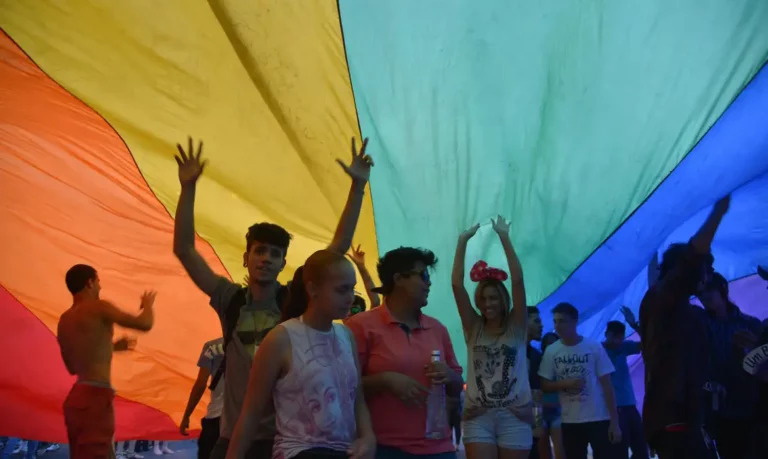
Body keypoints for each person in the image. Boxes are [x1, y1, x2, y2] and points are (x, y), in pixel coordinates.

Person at [172, 137, 373, 458]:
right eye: (260, 251)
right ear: (246, 258)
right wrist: (188, 188)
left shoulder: (292, 298)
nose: (266, 258)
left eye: (275, 254)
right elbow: (184, 250)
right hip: (236, 434)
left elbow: (335, 249)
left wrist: (358, 188)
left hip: (284, 441)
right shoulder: (230, 299)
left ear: (283, 263)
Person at [227, 250, 376, 459]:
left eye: (352, 289)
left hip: (346, 451)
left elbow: (356, 397)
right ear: (313, 289)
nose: (350, 298)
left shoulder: (346, 335)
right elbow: (252, 411)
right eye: (341, 290)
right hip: (299, 451)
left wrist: (368, 438)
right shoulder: (281, 339)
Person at [346, 247, 464, 459]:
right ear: (398, 279)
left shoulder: (438, 329)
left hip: (439, 449)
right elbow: (343, 387)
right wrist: (385, 380)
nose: (429, 283)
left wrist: (451, 376)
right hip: (385, 448)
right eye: (423, 275)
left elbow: (456, 385)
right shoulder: (361, 327)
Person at [638, 194, 730, 459]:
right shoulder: (662, 298)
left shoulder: (684, 311)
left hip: (686, 417)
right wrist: (718, 213)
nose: (707, 276)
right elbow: (691, 258)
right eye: (705, 269)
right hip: (672, 417)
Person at [451, 217, 532, 459]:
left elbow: (517, 281)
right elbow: (456, 285)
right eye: (484, 299)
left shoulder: (517, 326)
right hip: (479, 416)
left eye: (494, 298)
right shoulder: (473, 327)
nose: (488, 304)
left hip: (514, 415)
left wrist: (504, 238)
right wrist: (462, 241)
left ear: (503, 299)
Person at [57, 264, 155, 459]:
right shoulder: (99, 307)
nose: (100, 287)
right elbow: (144, 324)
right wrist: (148, 305)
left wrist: (110, 347)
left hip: (76, 400)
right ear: (90, 283)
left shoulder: (65, 320)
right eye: (99, 281)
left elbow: (71, 366)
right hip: (96, 398)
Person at [538, 302, 625, 459]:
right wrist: (565, 383)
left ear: (575, 321)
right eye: (555, 321)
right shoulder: (551, 351)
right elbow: (544, 384)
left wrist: (615, 422)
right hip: (569, 420)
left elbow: (607, 386)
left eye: (562, 321)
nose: (558, 326)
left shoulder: (593, 347)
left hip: (599, 418)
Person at [696, 272, 763, 459]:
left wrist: (754, 346)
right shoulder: (700, 324)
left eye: (709, 290)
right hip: (719, 410)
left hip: (753, 406)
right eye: (700, 293)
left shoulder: (750, 324)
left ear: (723, 289)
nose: (705, 296)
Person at [602, 313, 648, 459]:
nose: (617, 341)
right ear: (606, 334)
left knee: (641, 449)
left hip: (630, 406)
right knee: (620, 450)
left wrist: (634, 325)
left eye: (620, 337)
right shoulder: (597, 350)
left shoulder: (624, 346)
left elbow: (649, 342)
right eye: (614, 337)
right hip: (613, 409)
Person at [180, 338, 225, 459]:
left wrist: (186, 416)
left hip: (216, 416)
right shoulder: (260, 346)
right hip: (245, 419)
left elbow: (201, 383)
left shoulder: (212, 347)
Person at [538, 333, 565, 459]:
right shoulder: (537, 361)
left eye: (553, 344)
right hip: (539, 411)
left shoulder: (563, 364)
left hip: (557, 411)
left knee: (560, 450)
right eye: (548, 344)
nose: (551, 347)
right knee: (543, 451)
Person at [526, 307, 544, 459]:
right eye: (536, 321)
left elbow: (536, 392)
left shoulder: (535, 355)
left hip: (526, 426)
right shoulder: (505, 350)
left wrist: (537, 424)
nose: (541, 325)